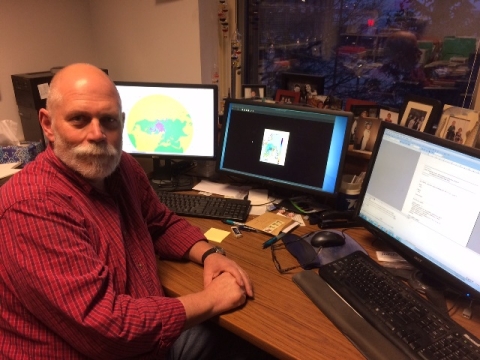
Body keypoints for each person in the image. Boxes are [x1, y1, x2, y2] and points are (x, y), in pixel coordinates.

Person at [0, 63, 272, 359]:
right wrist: (211, 300)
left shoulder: (123, 168)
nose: (97, 134)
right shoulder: (32, 206)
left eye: (109, 121)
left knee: (249, 337)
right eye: (79, 120)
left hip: (145, 338)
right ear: (48, 124)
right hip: (99, 350)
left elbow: (160, 223)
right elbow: (107, 330)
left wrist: (209, 254)